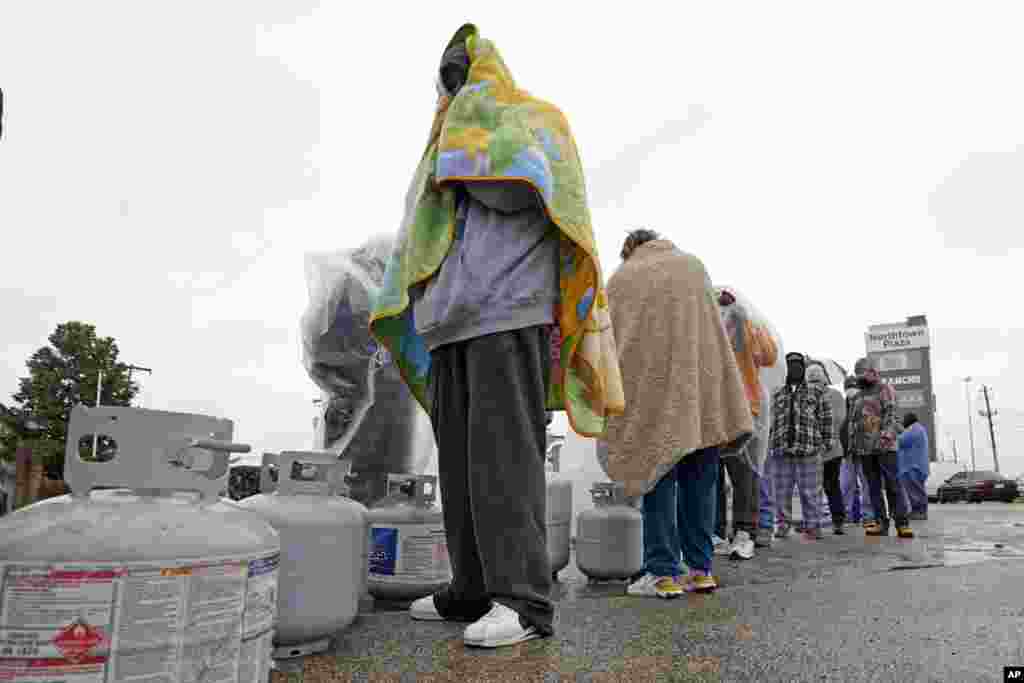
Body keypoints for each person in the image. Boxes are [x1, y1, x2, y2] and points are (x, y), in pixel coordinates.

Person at [369, 24, 624, 648]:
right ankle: (472, 589)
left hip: (509, 311)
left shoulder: (532, 119)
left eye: (461, 75)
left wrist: (461, 141)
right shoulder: (451, 134)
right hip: (451, 320)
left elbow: (517, 192)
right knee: (458, 463)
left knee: (503, 460)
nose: (452, 88)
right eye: (447, 81)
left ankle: (526, 602)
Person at [600, 229, 752, 597]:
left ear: (629, 250)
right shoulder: (693, 267)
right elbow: (713, 334)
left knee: (655, 476)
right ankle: (700, 570)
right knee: (701, 483)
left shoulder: (622, 278)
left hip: (651, 397)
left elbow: (615, 340)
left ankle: (663, 572)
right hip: (700, 395)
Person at [714, 287, 779, 558]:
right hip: (713, 413)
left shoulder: (748, 327)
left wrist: (742, 315)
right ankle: (715, 533)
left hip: (744, 411)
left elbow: (769, 355)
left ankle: (744, 532)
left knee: (745, 473)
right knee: (711, 476)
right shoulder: (707, 329)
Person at [768, 353, 835, 541]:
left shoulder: (816, 392)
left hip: (809, 451)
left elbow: (826, 418)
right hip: (781, 452)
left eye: (798, 365)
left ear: (803, 369)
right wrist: (770, 444)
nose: (794, 369)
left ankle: (813, 526)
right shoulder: (777, 392)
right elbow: (771, 420)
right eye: (790, 365)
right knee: (781, 493)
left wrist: (827, 443)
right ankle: (782, 525)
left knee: (811, 492)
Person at [847, 357, 913, 538]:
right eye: (858, 373)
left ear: (874, 372)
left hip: (885, 447)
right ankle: (880, 523)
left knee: (893, 485)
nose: (861, 377)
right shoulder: (858, 395)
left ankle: (902, 523)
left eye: (864, 373)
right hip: (864, 449)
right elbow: (854, 422)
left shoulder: (885, 389)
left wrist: (885, 437)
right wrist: (852, 445)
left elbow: (891, 415)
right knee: (872, 487)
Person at [806, 365, 848, 534]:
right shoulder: (837, 395)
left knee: (813, 488)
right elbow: (841, 420)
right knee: (832, 486)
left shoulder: (807, 396)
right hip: (834, 449)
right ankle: (838, 521)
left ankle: (814, 523)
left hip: (815, 450)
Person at [898, 412, 930, 520]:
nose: (903, 422)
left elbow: (901, 441)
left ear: (909, 420)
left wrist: (894, 431)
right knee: (914, 490)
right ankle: (917, 511)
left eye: (904, 420)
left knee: (916, 490)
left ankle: (920, 512)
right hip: (914, 466)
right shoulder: (917, 429)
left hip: (913, 466)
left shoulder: (914, 428)